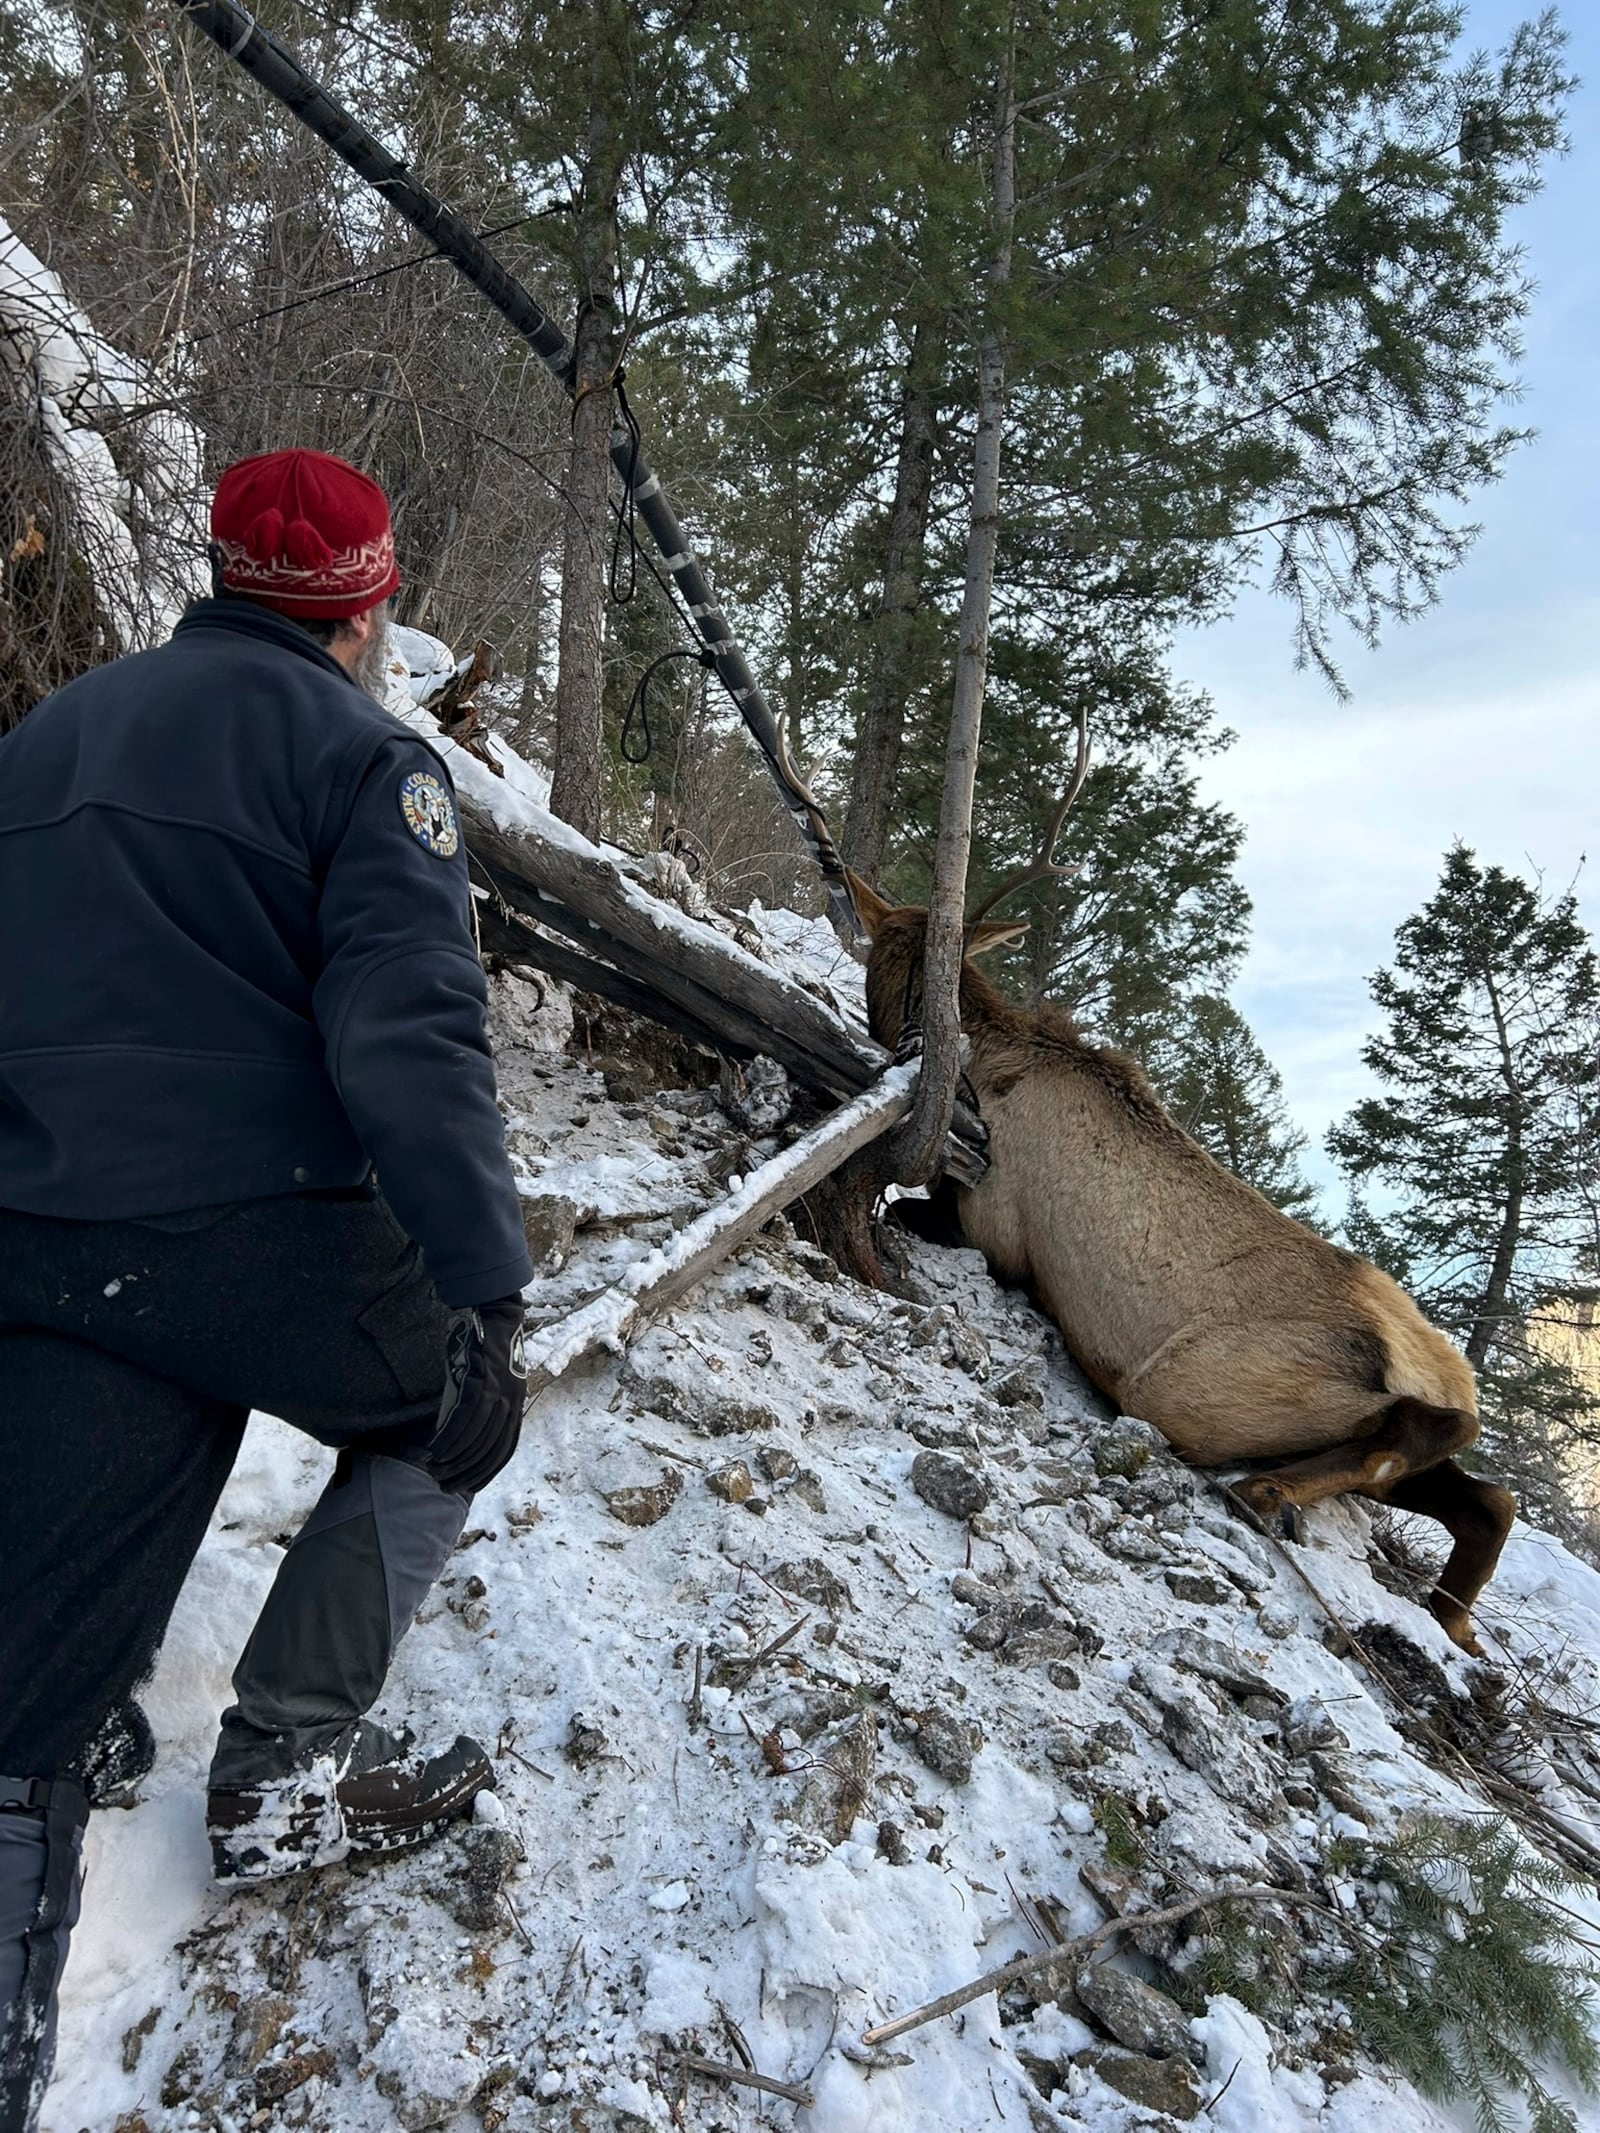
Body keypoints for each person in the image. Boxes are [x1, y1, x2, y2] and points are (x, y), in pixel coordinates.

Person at [0, 448, 535, 2132]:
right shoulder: (371, 760)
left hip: (30, 1215)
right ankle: (289, 1765)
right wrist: (484, 1288)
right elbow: (411, 1040)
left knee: (29, 1680)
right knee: (454, 1409)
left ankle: (57, 1755)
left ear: (218, 572)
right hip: (247, 1220)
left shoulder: (47, 738)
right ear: (369, 609)